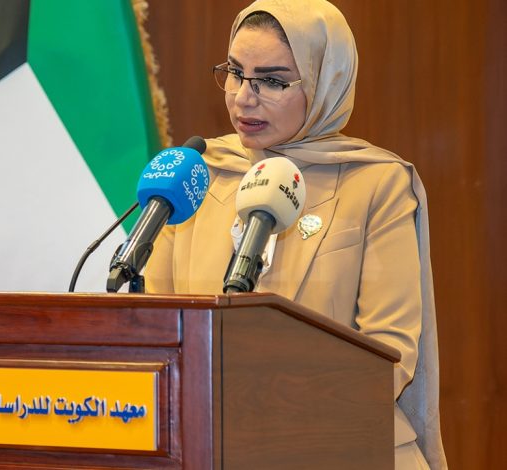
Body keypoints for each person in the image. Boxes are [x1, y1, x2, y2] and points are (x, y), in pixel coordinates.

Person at [143, 0, 446, 468]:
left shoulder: (376, 184)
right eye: (235, 73)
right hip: (209, 449)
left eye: (272, 81)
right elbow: (155, 332)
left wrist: (266, 410)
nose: (243, 98)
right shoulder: (199, 174)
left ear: (326, 81)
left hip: (343, 450)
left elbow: (389, 354)